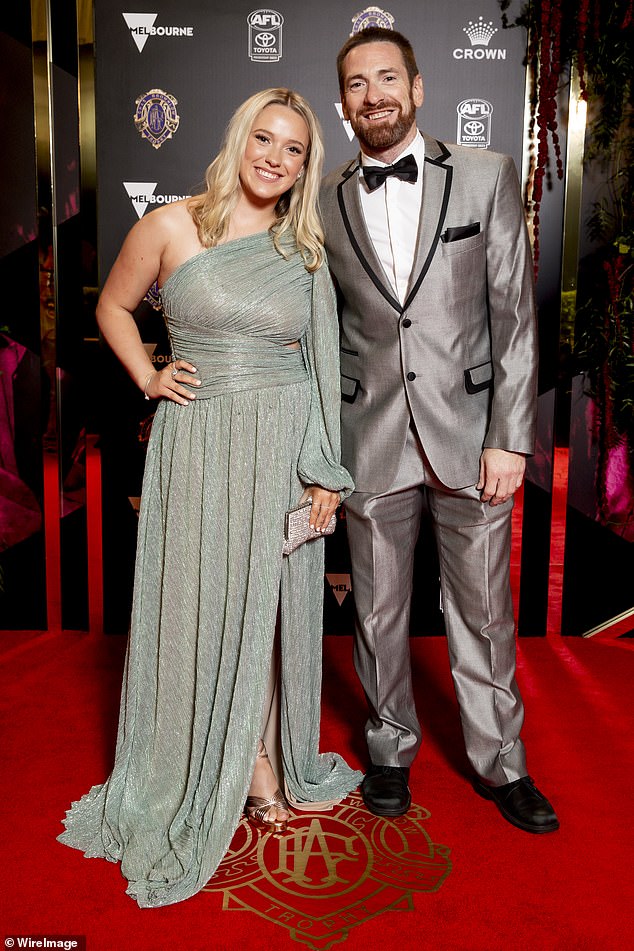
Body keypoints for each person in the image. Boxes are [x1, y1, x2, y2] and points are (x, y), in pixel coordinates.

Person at [59, 87, 362, 908]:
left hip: (279, 447)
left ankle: (263, 759)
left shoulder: (303, 248)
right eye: (264, 137)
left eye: (294, 148)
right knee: (199, 603)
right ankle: (207, 764)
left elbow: (319, 371)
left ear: (306, 164)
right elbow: (113, 307)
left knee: (262, 607)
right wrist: (150, 375)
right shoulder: (169, 224)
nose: (275, 156)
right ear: (239, 139)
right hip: (195, 447)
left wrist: (321, 471)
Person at [320, 28, 559, 833]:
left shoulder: (486, 176)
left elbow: (513, 319)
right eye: (357, 83)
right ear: (343, 101)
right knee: (379, 611)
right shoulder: (323, 198)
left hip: (472, 438)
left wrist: (510, 436)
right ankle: (389, 747)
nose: (373, 94)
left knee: (484, 613)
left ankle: (503, 763)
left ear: (419, 89)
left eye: (388, 78)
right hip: (371, 435)